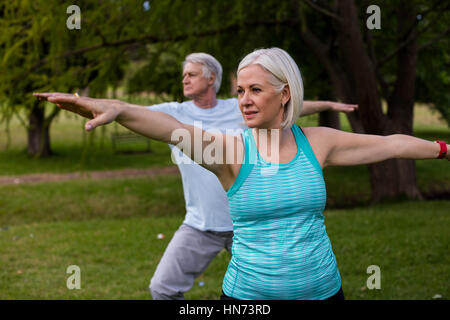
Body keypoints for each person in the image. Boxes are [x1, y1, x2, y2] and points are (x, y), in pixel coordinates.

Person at [34, 47, 448, 300]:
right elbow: (166, 129)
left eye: (255, 90)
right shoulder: (229, 151)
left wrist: (443, 149)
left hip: (323, 291)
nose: (244, 101)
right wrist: (119, 109)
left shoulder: (318, 143)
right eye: (240, 92)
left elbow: (392, 143)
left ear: (284, 94)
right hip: (248, 297)